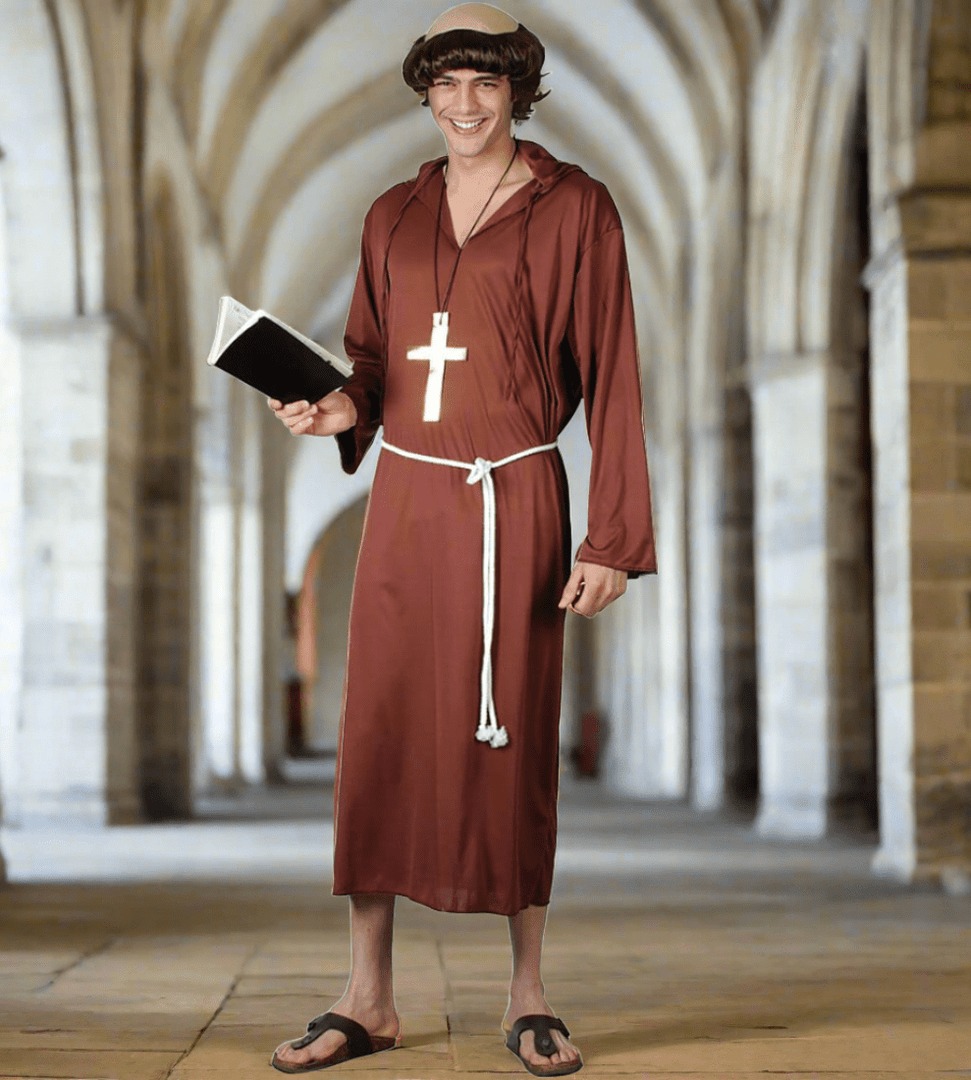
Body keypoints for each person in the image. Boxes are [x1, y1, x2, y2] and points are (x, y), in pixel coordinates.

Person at [268, 4, 656, 1075]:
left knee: (511, 737)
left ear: (517, 90)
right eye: (447, 81)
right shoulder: (392, 214)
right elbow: (371, 363)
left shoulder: (577, 207)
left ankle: (529, 995)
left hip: (518, 495)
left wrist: (613, 536)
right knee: (381, 732)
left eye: (487, 80)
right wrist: (337, 410)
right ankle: (367, 996)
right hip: (407, 500)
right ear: (426, 93)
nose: (466, 101)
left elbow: (615, 374)